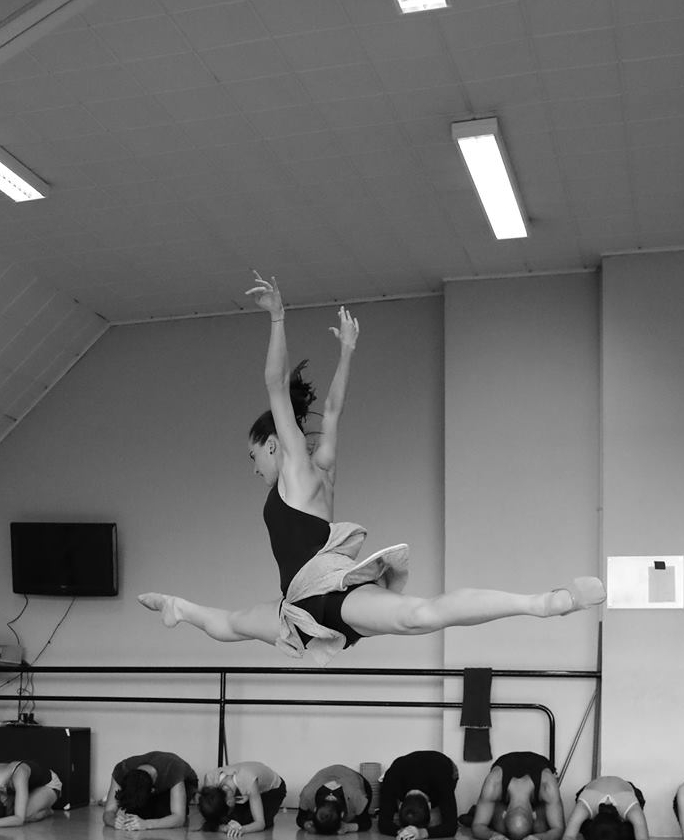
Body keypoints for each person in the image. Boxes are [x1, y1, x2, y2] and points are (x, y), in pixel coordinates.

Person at [138, 272, 605, 664]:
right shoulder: (321, 466)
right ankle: (179, 607)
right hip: (297, 605)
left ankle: (546, 603)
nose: (252, 466)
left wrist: (277, 317)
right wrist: (346, 354)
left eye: (253, 455)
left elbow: (275, 383)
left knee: (419, 615)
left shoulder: (299, 468)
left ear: (273, 444)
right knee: (234, 622)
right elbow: (335, 410)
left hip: (330, 594)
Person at [468, 750, 564, 840]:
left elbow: (559, 829)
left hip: (539, 765)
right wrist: (493, 835)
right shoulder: (493, 783)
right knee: (500, 828)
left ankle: (533, 828)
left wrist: (540, 838)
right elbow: (477, 825)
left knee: (540, 828)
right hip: (505, 764)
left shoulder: (547, 785)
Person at [377, 749, 459, 840]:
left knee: (440, 818)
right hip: (403, 766)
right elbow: (382, 823)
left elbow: (451, 826)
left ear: (429, 806)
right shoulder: (391, 779)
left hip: (442, 764)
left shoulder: (442, 782)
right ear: (400, 806)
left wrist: (422, 833)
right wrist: (403, 831)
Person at [102, 750, 198, 831]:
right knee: (135, 813)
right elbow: (109, 811)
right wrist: (113, 822)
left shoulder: (173, 770)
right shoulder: (122, 770)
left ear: (153, 790)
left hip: (186, 784)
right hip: (151, 787)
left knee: (162, 813)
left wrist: (147, 824)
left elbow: (179, 818)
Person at [560, 775, 650, 840]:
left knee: (630, 833)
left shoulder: (630, 806)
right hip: (591, 790)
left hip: (623, 791)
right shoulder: (585, 805)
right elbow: (567, 838)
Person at [196, 760, 286, 838]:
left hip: (274, 789)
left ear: (230, 802)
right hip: (245, 789)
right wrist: (223, 827)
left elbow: (260, 823)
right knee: (230, 819)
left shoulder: (249, 781)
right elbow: (210, 814)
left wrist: (242, 830)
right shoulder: (210, 779)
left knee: (247, 821)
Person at [296, 763, 373, 834]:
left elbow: (367, 823)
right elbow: (300, 819)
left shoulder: (356, 796)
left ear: (342, 814)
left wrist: (348, 827)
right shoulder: (307, 794)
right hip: (326, 775)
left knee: (357, 816)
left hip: (354, 778)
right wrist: (306, 824)